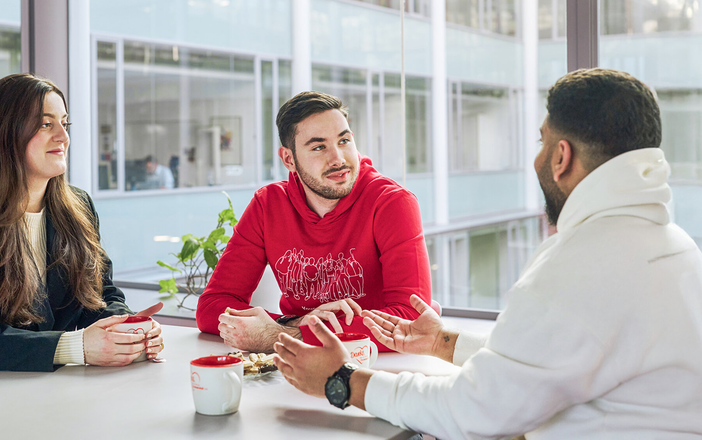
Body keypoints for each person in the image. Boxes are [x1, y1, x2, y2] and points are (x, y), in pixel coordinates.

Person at [273, 68, 702, 438]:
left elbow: (472, 413)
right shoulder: (674, 248)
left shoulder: (580, 263)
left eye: (541, 142)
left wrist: (341, 380)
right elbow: (548, 358)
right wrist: (443, 342)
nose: (536, 157)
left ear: (561, 156)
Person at [0, 73, 165, 378]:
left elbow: (102, 294)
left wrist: (127, 329)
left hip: (43, 390)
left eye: (65, 123)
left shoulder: (78, 207)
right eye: (46, 124)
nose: (63, 136)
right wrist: (76, 347)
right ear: (4, 134)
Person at [196, 91, 432, 353]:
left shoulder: (392, 203)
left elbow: (410, 319)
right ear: (289, 159)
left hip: (375, 365)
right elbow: (212, 307)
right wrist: (293, 325)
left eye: (344, 141)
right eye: (319, 147)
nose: (338, 159)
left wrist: (285, 333)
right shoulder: (268, 205)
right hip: (297, 363)